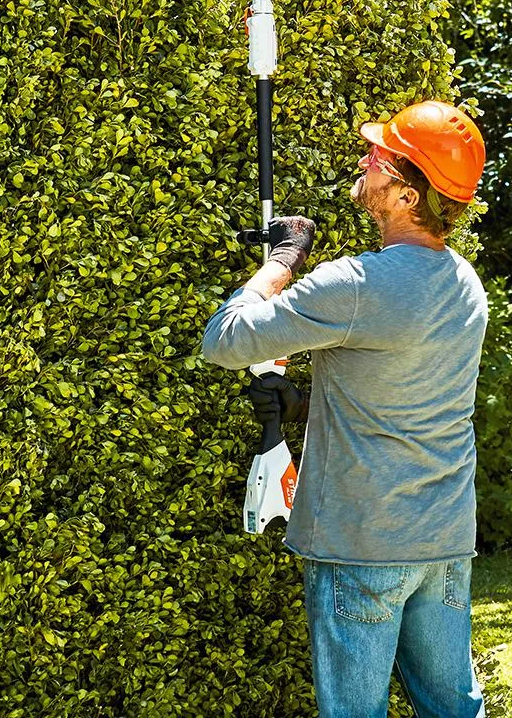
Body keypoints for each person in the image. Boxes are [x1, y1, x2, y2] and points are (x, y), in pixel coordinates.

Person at [201, 99, 490, 718]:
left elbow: (225, 339)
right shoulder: (465, 282)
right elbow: (405, 395)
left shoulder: (356, 284)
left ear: (407, 194)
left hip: (361, 544)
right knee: (453, 710)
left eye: (378, 156)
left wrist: (281, 262)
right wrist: (306, 402)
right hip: (441, 538)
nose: (365, 160)